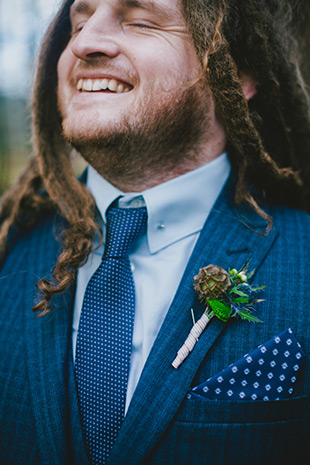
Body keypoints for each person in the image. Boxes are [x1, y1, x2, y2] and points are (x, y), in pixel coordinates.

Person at [0, 0, 309, 464]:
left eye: (140, 20)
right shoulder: (8, 244)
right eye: (79, 22)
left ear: (238, 72)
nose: (84, 42)